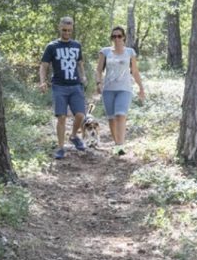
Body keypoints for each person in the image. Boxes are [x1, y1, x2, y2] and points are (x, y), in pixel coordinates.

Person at [39, 16, 87, 159]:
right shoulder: (52, 46)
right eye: (64, 30)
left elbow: (80, 63)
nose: (67, 32)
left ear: (72, 29)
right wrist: (42, 81)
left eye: (69, 30)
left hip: (75, 86)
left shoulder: (77, 45)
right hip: (59, 86)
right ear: (60, 28)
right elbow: (44, 66)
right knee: (61, 117)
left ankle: (73, 136)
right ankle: (60, 148)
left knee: (80, 115)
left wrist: (83, 76)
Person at [95, 26, 146, 156]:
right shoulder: (105, 51)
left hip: (125, 89)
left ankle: (120, 145)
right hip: (108, 89)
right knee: (111, 119)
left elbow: (134, 71)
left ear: (123, 37)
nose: (116, 39)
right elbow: (99, 70)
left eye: (119, 36)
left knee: (120, 115)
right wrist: (98, 83)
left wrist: (141, 87)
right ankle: (116, 143)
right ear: (111, 38)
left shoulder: (130, 52)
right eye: (114, 36)